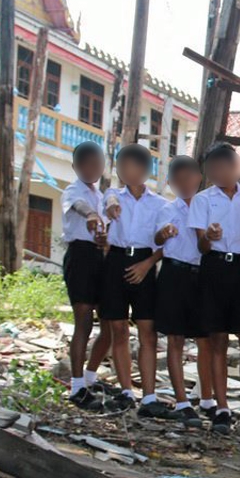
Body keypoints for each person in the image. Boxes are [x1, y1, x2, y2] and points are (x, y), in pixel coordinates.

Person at [100, 144, 167, 416]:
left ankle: (149, 396)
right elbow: (109, 205)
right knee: (118, 329)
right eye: (121, 166)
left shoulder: (160, 204)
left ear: (145, 170)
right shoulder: (113, 195)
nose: (126, 172)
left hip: (145, 263)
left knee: (147, 331)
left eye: (131, 166)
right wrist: (112, 208)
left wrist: (148, 264)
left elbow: (166, 243)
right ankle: (126, 390)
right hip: (116, 262)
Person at [193, 142, 240, 434]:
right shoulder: (203, 200)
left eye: (224, 166)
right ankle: (222, 407)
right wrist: (210, 236)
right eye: (212, 168)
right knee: (217, 340)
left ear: (236, 167)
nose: (219, 172)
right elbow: (201, 245)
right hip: (214, 267)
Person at [152, 156, 209, 428]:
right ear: (171, 183)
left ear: (199, 178)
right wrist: (164, 233)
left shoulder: (209, 206)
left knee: (204, 339)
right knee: (175, 339)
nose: (186, 183)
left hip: (202, 275)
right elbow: (157, 239)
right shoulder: (167, 209)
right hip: (174, 274)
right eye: (179, 179)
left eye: (190, 177)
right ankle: (183, 401)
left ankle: (207, 399)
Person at [60, 141, 114, 411]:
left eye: (98, 164)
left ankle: (91, 378)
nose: (94, 169)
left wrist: (104, 233)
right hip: (80, 256)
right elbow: (79, 207)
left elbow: (103, 224)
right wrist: (92, 215)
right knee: (83, 321)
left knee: (111, 323)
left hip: (100, 256)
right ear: (76, 167)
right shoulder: (74, 191)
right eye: (88, 164)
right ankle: (77, 386)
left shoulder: (102, 195)